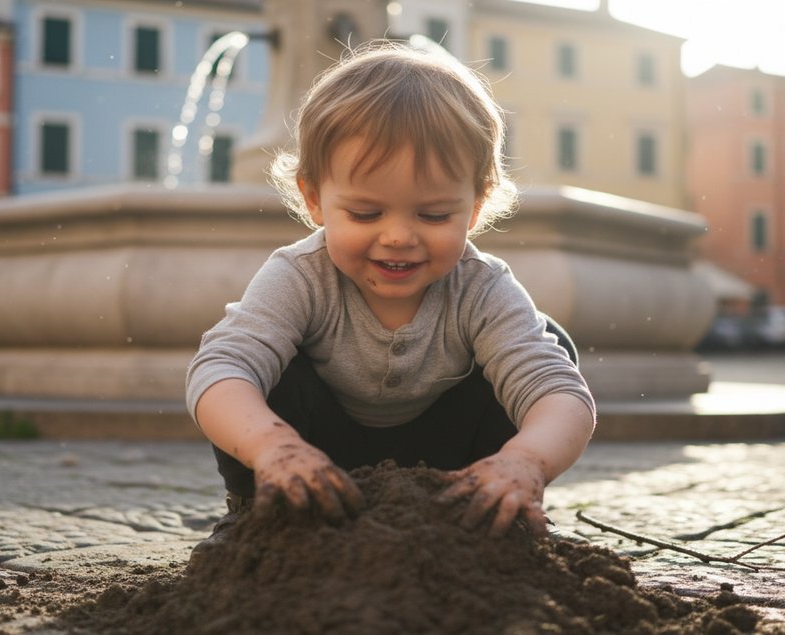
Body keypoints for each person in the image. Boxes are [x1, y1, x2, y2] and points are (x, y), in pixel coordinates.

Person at [185, 42, 595, 544]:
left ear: (476, 204)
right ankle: (255, 509)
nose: (399, 236)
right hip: (316, 463)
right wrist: (273, 449)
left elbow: (562, 396)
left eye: (434, 215)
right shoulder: (300, 276)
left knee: (550, 341)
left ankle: (500, 506)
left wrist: (525, 462)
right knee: (255, 366)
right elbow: (219, 372)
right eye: (365, 214)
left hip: (453, 471)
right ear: (314, 198)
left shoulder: (481, 287)